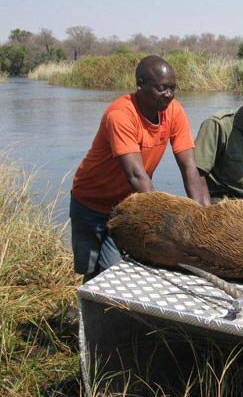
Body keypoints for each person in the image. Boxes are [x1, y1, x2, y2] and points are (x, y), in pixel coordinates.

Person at [70, 55, 210, 281]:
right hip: (91, 203)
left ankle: (111, 311)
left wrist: (205, 218)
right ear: (140, 85)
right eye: (162, 88)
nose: (169, 95)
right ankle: (86, 313)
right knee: (90, 270)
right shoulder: (121, 115)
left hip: (127, 204)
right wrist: (164, 223)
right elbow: (137, 176)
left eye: (173, 89)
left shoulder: (173, 111)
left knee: (116, 271)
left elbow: (189, 167)